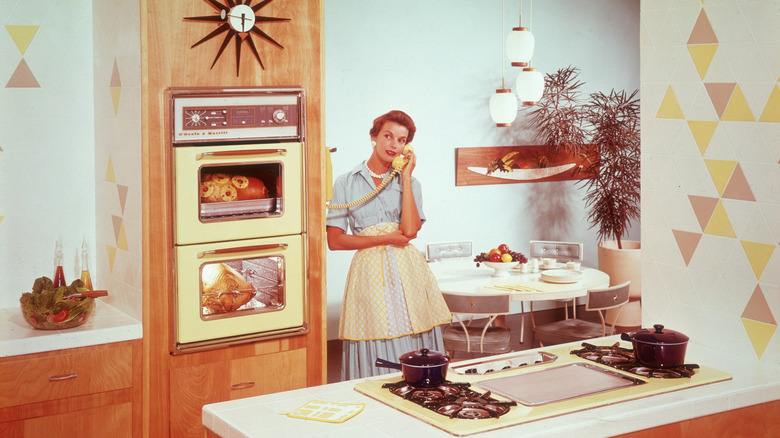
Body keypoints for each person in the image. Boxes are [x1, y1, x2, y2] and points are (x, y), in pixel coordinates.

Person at [326, 110, 452, 380]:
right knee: (373, 331)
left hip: (408, 271)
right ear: (373, 136)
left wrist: (405, 177)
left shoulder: (411, 183)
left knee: (414, 328)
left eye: (401, 140)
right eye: (388, 136)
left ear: (407, 147)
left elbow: (409, 231)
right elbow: (335, 241)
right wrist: (386, 238)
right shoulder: (345, 183)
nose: (393, 144)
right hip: (368, 272)